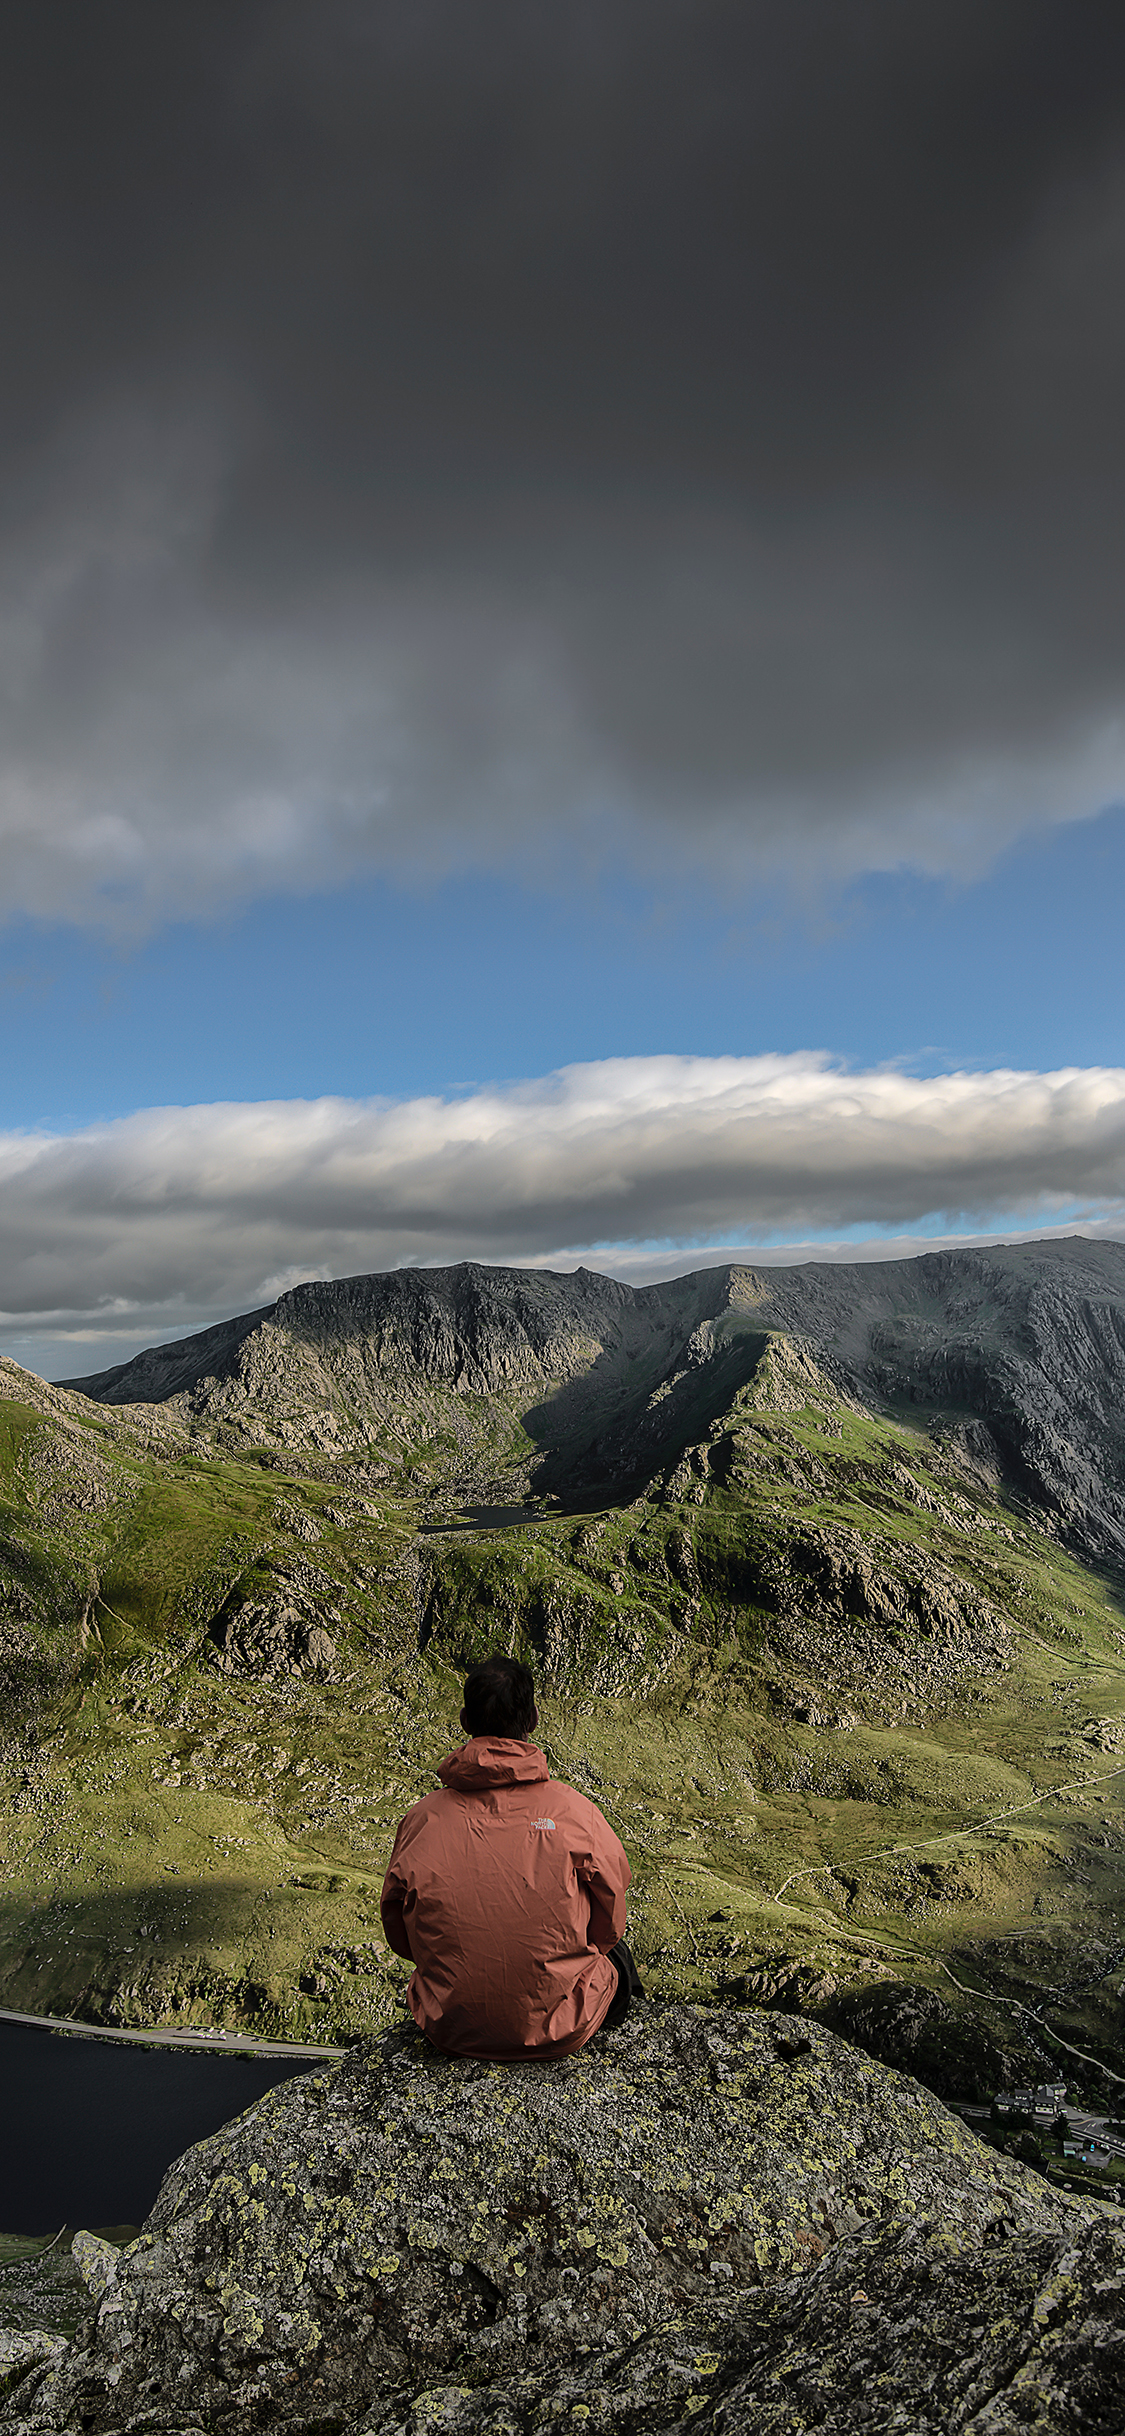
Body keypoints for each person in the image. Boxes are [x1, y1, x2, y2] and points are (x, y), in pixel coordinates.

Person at [380, 1653, 643, 2060]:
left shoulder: (421, 1819)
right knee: (619, 1959)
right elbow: (610, 1927)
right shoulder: (574, 1811)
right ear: (533, 1719)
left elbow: (399, 1935)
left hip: (450, 2026)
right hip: (563, 2028)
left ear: (466, 1723)